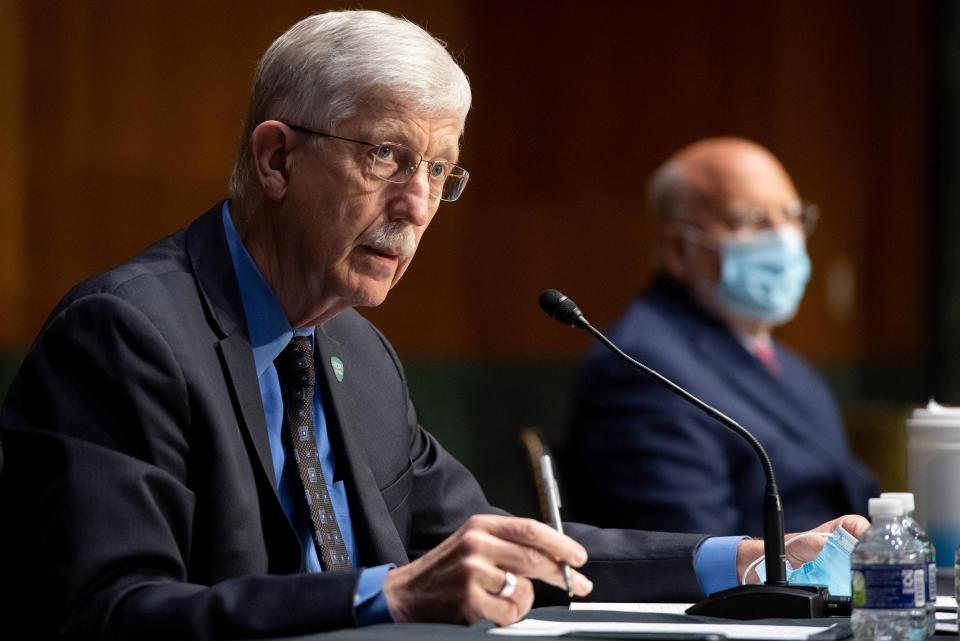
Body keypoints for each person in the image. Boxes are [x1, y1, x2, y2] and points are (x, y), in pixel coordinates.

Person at [0, 15, 866, 640]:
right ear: (276, 159)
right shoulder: (127, 335)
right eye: (385, 157)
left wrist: (749, 556)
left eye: (439, 171)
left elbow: (501, 541)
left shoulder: (352, 350)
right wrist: (388, 596)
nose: (415, 206)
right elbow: (107, 610)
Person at [565, 137, 878, 537]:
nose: (785, 238)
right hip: (766, 596)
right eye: (754, 221)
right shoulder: (641, 368)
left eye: (793, 216)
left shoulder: (780, 360)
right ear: (679, 249)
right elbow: (689, 551)